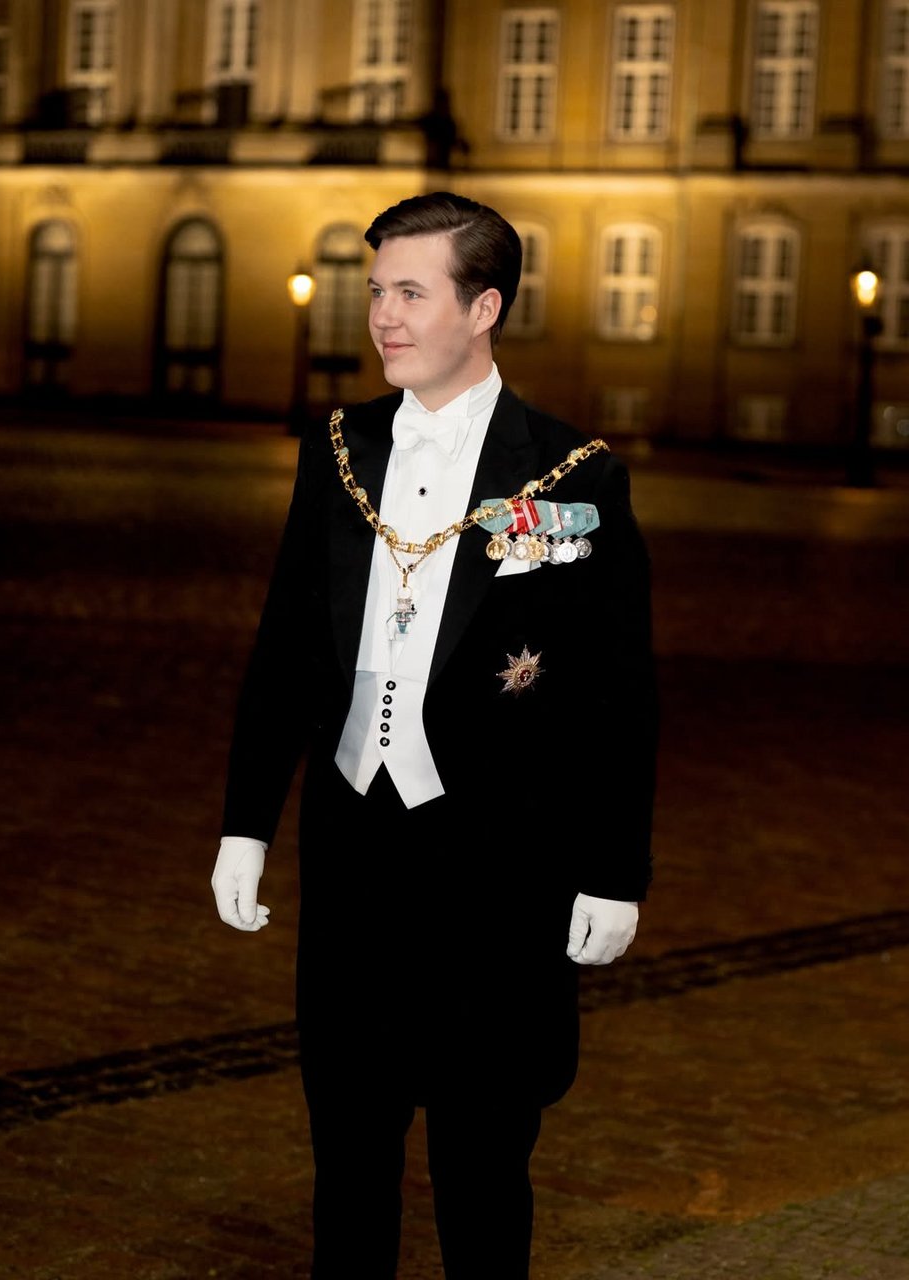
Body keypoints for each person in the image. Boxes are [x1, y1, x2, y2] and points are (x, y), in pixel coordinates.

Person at [211, 191, 658, 1279]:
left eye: (411, 293)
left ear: (483, 307)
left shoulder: (575, 473)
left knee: (482, 1168)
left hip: (498, 867)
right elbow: (285, 647)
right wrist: (245, 824)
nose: (383, 316)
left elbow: (616, 694)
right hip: (353, 854)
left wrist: (613, 872)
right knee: (348, 1161)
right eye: (377, 291)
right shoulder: (339, 448)